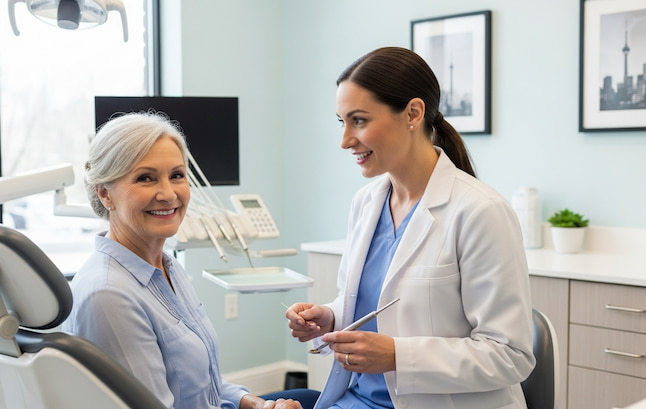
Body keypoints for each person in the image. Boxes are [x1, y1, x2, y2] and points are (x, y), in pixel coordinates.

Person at [285, 47, 536, 409]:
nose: (345, 141)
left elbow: (510, 355)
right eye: (342, 122)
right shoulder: (366, 202)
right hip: (357, 399)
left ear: (413, 114)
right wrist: (331, 316)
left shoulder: (481, 212)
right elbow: (375, 301)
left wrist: (399, 356)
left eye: (359, 121)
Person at [63, 112, 305, 409]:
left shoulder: (168, 268)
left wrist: (253, 403)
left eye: (176, 175)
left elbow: (204, 383)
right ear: (105, 194)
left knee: (311, 398)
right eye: (145, 178)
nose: (168, 194)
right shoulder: (108, 296)